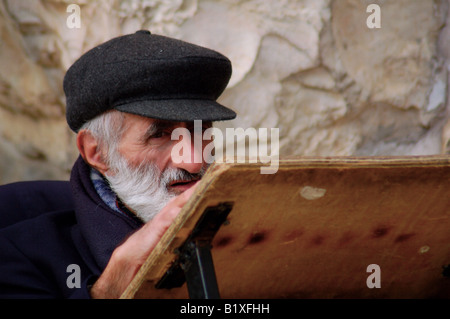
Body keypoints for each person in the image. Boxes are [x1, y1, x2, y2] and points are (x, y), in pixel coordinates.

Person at [0, 30, 236, 298]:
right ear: (97, 152)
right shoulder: (19, 256)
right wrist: (109, 288)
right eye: (158, 134)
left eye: (200, 130)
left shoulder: (250, 225)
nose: (194, 162)